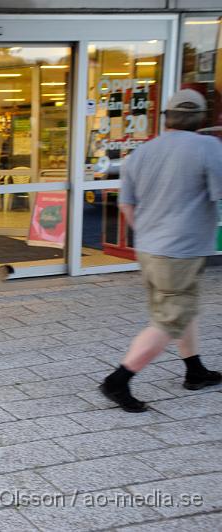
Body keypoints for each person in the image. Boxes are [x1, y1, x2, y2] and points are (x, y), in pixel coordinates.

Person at [100, 88, 222, 413]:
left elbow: (126, 204)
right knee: (170, 319)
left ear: (167, 117)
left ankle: (194, 370)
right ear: (200, 119)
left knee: (180, 308)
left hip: (150, 250)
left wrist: (151, 233)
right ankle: (119, 380)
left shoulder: (141, 153)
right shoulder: (208, 147)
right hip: (181, 252)